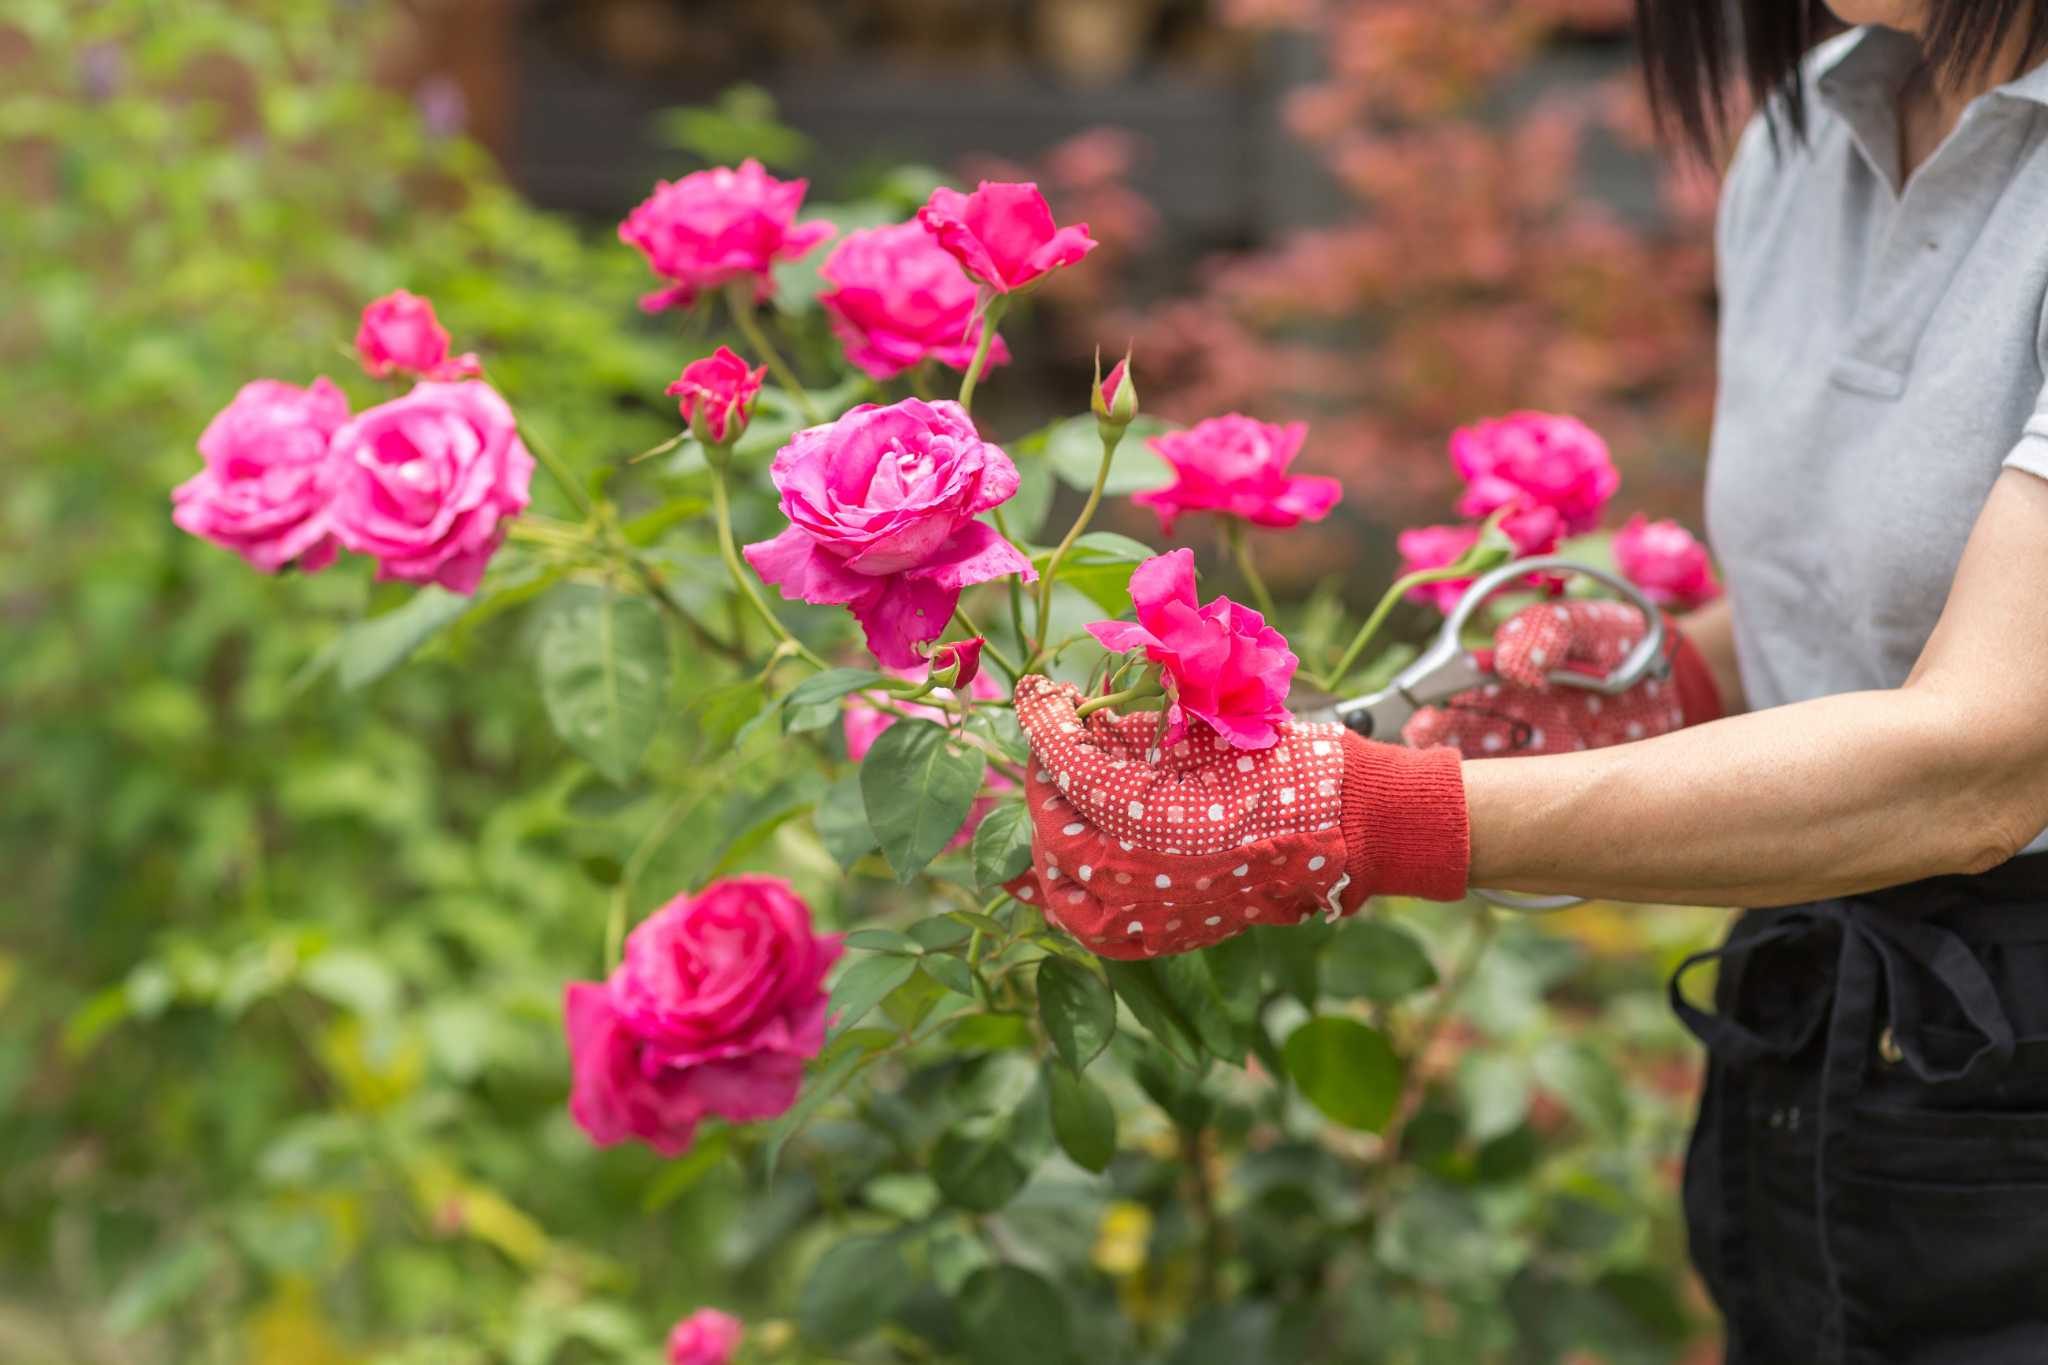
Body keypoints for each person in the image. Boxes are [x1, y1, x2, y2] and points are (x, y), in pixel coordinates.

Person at [1008, 3, 2048, 1360]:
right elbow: (1866, 602)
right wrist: (1643, 672)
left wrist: (1365, 815)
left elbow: (1986, 755)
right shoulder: (1808, 138)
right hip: (1821, 1032)